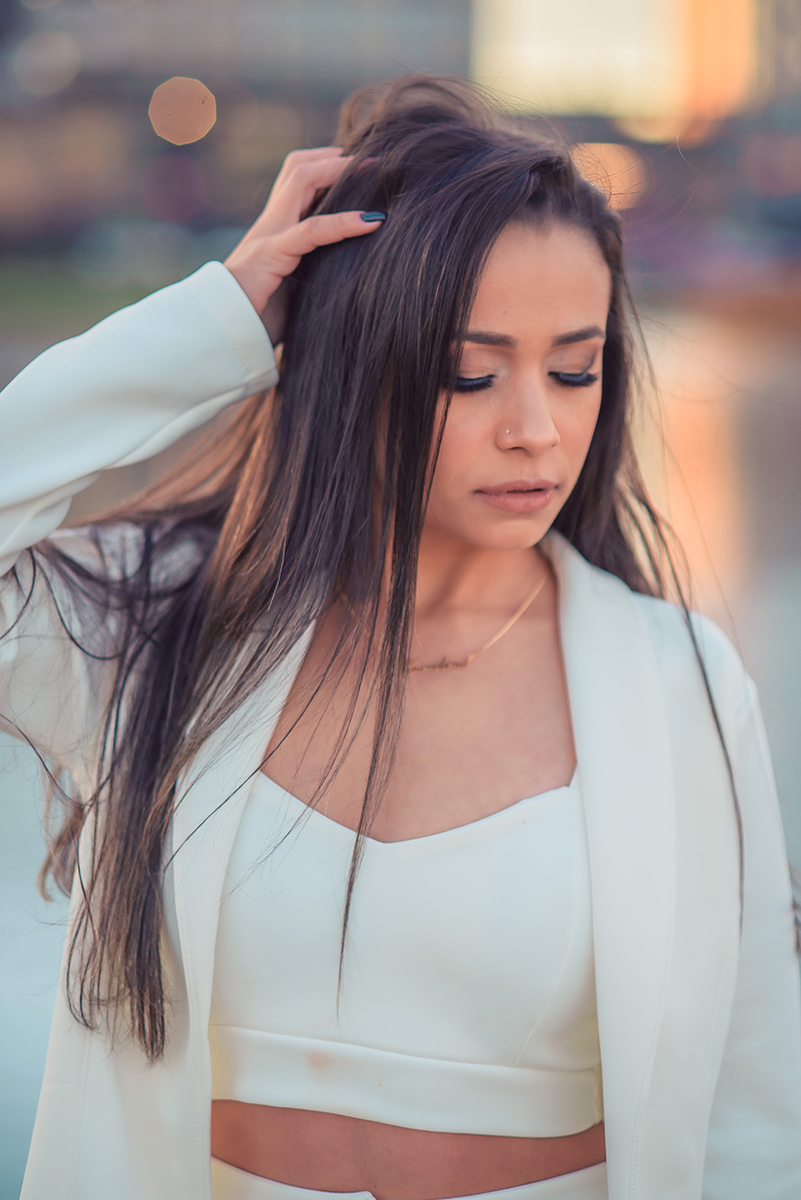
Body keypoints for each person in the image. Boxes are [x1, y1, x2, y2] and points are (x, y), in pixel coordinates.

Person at [1, 75, 800, 1200]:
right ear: (356, 362)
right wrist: (214, 325)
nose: (536, 428)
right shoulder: (161, 625)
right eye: (470, 374)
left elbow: (755, 1103)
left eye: (575, 370)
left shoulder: (679, 682)